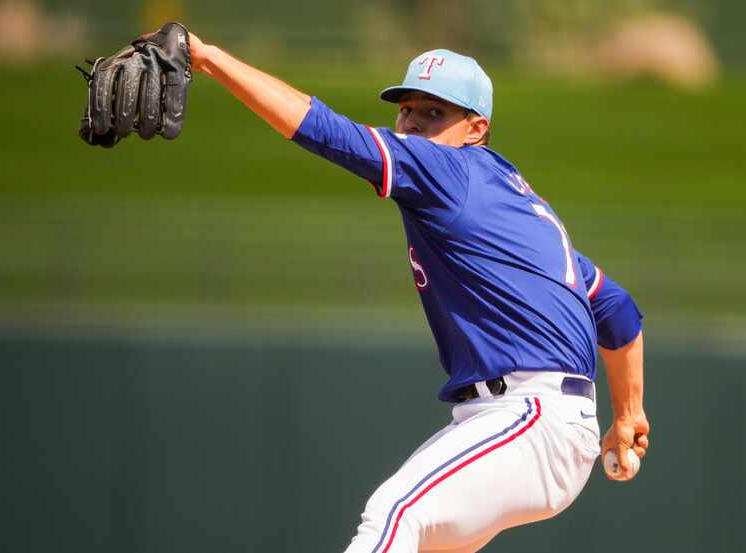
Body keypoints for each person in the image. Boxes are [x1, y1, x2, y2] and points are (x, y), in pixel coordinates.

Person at [185, 31, 650, 553]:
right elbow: (615, 307)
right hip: (522, 422)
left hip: (529, 418)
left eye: (433, 113)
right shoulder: (509, 197)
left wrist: (209, 58)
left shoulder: (446, 171)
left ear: (477, 128)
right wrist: (628, 413)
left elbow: (325, 130)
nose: (411, 124)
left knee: (397, 512)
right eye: (407, 109)